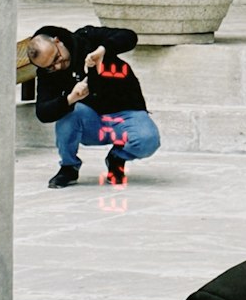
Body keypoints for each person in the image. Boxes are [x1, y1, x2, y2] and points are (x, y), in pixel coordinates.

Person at [27, 23, 161, 188]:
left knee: (148, 140)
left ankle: (117, 158)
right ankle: (69, 167)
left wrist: (104, 49)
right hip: (90, 121)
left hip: (124, 110)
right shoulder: (48, 73)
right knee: (68, 111)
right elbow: (43, 112)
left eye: (57, 58)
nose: (58, 65)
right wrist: (70, 98)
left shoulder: (86, 37)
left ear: (58, 42)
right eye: (50, 66)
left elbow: (129, 36)